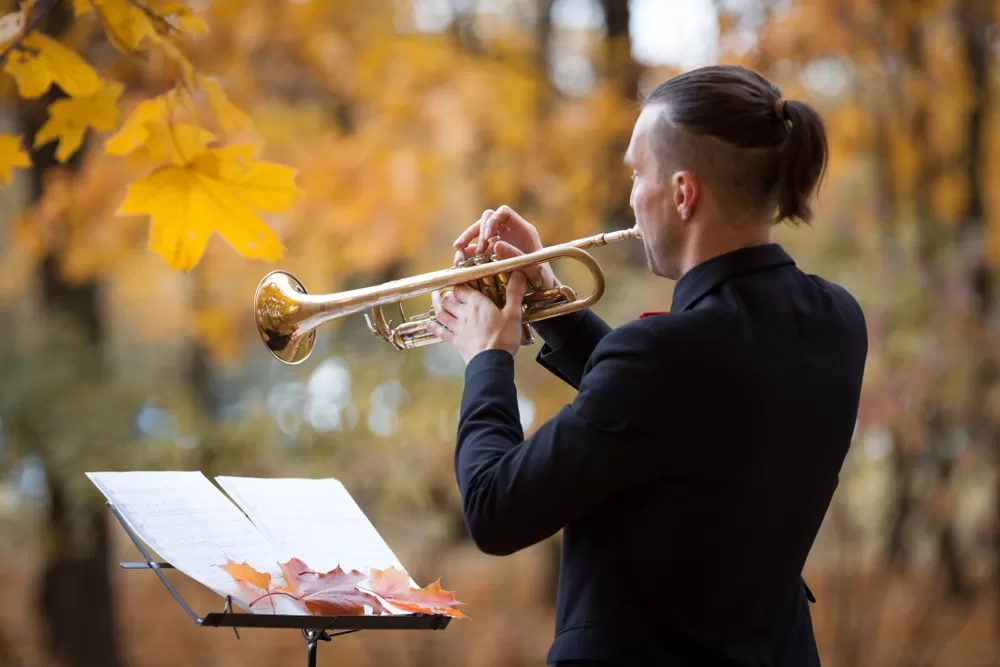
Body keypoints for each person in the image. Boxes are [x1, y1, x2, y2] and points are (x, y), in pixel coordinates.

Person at [426, 64, 867, 667]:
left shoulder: (664, 357)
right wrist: (551, 301)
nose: (632, 195)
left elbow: (494, 510)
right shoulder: (837, 318)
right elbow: (679, 412)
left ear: (684, 194)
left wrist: (486, 357)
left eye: (638, 173)